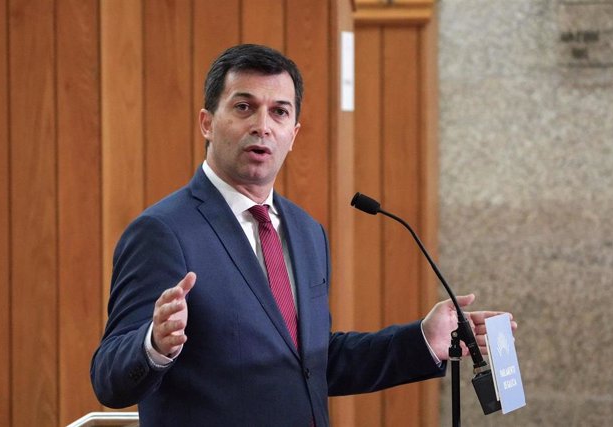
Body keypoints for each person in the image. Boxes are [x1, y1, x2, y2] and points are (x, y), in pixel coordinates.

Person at [91, 44, 514, 427]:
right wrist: (154, 344)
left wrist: (423, 340)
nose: (262, 126)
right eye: (243, 107)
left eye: (279, 112)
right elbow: (109, 376)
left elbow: (311, 363)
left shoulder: (306, 231)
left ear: (293, 134)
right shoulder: (163, 231)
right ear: (207, 122)